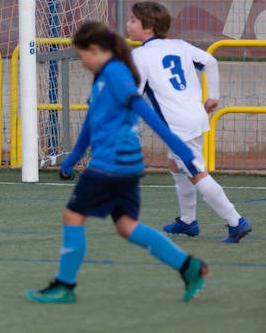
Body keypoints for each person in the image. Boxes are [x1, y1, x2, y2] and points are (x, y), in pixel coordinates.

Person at [25, 21, 209, 304]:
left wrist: (182, 151)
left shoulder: (115, 73)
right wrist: (72, 158)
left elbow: (143, 110)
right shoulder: (103, 77)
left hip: (112, 163)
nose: (82, 61)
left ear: (96, 50)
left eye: (82, 55)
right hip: (124, 165)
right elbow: (91, 121)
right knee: (126, 225)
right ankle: (189, 267)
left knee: (73, 216)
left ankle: (65, 285)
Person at [126, 1, 252, 243]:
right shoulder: (179, 45)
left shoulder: (139, 55)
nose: (128, 24)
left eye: (133, 20)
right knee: (175, 164)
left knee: (196, 173)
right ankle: (188, 221)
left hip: (176, 126)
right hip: (195, 116)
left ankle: (235, 221)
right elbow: (210, 62)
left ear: (149, 27)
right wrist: (212, 95)